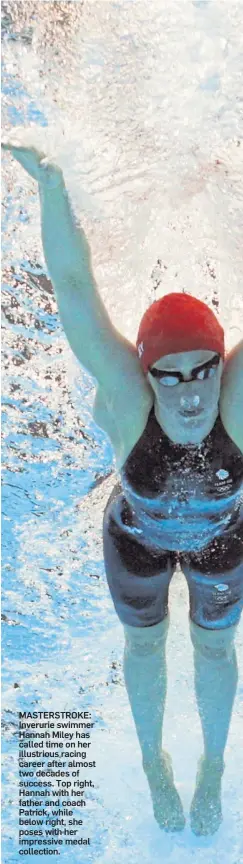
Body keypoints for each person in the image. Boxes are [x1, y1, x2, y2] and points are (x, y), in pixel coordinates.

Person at [2, 137, 243, 836]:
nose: (189, 392)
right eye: (169, 375)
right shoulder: (126, 398)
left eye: (202, 370)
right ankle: (151, 762)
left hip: (225, 542)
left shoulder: (234, 401)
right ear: (144, 374)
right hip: (134, 540)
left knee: (213, 648)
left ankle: (212, 769)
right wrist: (51, 186)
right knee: (143, 645)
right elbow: (75, 289)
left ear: (221, 365)